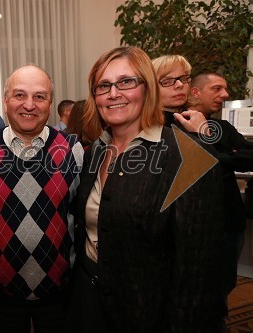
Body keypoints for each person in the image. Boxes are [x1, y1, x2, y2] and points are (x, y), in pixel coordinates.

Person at [68, 46, 224, 333]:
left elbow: (198, 272)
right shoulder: (96, 153)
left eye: (126, 81)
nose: (113, 93)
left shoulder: (188, 157)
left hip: (149, 314)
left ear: (147, 88)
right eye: (104, 85)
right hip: (90, 304)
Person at [0, 64, 84, 333]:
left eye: (40, 96)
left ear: (50, 102)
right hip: (0, 296)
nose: (29, 105)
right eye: (20, 95)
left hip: (60, 294)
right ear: (6, 100)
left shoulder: (74, 151)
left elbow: (81, 217)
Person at [188, 72, 253, 322]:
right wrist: (228, 156)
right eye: (217, 89)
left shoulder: (222, 127)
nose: (225, 95)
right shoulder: (174, 126)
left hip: (229, 222)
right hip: (195, 225)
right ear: (195, 93)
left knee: (223, 287)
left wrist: (217, 158)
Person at [152, 55, 208, 133]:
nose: (180, 84)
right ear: (151, 89)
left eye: (183, 79)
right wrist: (201, 135)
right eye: (167, 82)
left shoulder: (200, 121)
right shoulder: (143, 128)